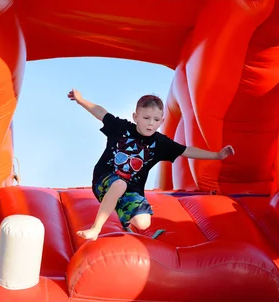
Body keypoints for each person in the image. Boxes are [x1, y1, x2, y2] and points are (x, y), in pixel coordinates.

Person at [68, 89, 235, 241]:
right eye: (146, 118)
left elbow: (186, 150)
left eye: (155, 120)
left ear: (162, 121)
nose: (150, 123)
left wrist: (217, 156)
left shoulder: (159, 142)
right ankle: (95, 229)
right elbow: (101, 112)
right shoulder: (121, 127)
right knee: (119, 184)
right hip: (103, 180)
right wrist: (81, 100)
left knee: (143, 222)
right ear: (136, 117)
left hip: (131, 189)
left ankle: (120, 211)